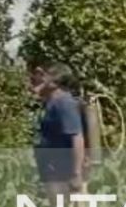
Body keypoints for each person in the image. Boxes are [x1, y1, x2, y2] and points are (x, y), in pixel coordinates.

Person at [31, 64, 86, 199]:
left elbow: (77, 137)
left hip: (63, 171)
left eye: (44, 76)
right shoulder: (52, 103)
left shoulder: (64, 103)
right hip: (53, 169)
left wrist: (76, 174)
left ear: (54, 82)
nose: (38, 79)